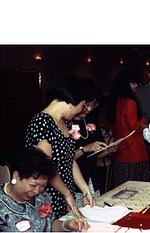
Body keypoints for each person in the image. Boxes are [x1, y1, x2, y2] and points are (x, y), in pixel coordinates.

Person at [24, 75, 96, 219]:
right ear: (72, 101)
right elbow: (45, 166)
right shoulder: (42, 122)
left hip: (63, 194)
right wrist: (67, 193)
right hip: (46, 195)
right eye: (82, 105)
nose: (82, 110)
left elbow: (69, 160)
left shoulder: (66, 123)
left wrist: (85, 190)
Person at [0, 148, 90, 232]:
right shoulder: (2, 206)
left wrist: (66, 225)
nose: (36, 191)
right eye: (33, 185)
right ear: (16, 176)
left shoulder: (42, 197)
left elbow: (50, 225)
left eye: (43, 186)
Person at [72, 78, 118, 206]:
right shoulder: (66, 123)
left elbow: (96, 156)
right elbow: (65, 159)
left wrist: (107, 150)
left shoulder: (92, 122)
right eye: (87, 104)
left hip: (93, 179)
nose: (89, 108)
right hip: (74, 183)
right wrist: (85, 148)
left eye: (93, 105)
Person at [108, 70, 150, 188]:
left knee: (123, 189)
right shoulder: (130, 102)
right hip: (134, 152)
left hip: (121, 152)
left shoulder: (117, 100)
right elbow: (134, 126)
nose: (136, 85)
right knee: (138, 189)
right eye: (133, 83)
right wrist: (143, 123)